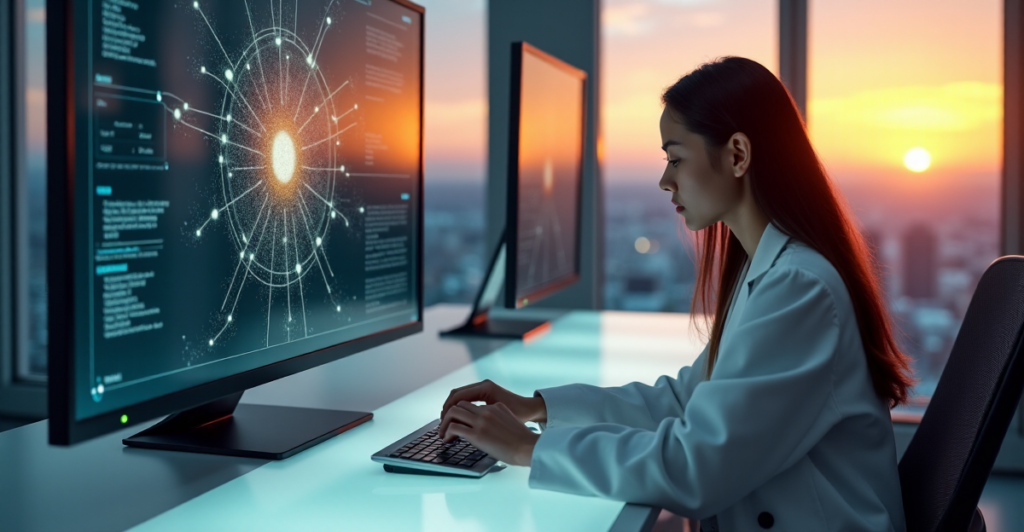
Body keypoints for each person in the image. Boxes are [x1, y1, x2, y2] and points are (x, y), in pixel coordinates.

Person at [438, 56, 912, 532]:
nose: (666, 180)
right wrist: (537, 409)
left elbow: (696, 469)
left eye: (676, 158)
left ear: (737, 155)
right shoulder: (771, 270)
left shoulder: (798, 288)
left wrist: (529, 448)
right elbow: (687, 401)